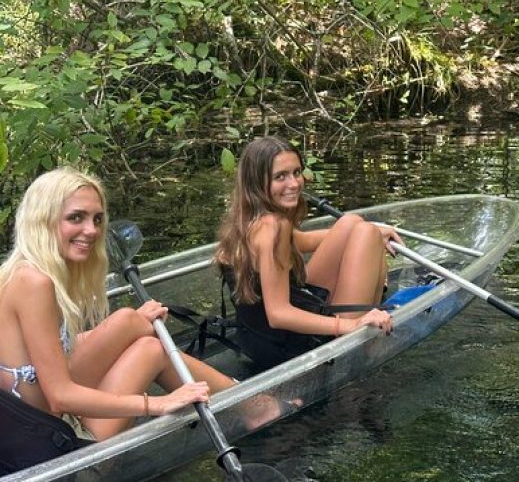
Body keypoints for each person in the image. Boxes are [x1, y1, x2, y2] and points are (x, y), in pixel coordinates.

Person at [0, 167, 235, 443]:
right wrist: (157, 404)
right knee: (149, 348)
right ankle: (250, 403)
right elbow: (59, 398)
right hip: (55, 437)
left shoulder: (18, 274)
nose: (91, 230)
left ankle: (246, 401)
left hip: (37, 420)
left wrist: (128, 327)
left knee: (133, 327)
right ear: (43, 220)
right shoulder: (34, 282)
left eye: (97, 219)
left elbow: (47, 351)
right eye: (76, 218)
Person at [215, 136, 399, 369]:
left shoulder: (246, 220)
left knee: (353, 222)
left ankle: (370, 264)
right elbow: (278, 313)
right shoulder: (273, 227)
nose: (294, 184)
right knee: (366, 233)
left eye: (296, 172)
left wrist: (370, 230)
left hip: (259, 341)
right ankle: (368, 343)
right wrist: (351, 325)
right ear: (257, 183)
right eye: (280, 176)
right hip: (293, 346)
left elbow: (304, 240)